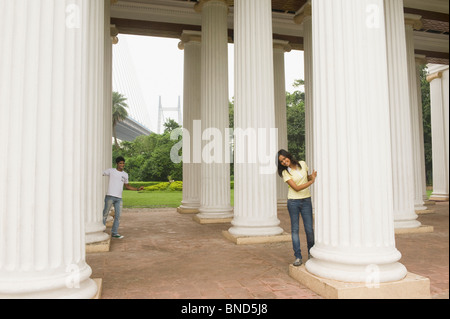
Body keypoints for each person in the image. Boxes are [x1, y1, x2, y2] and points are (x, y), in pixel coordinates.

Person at [277, 149, 317, 267]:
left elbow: (306, 178)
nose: (284, 162)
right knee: (295, 230)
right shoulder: (285, 173)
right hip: (293, 202)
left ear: (288, 156)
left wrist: (312, 176)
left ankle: (310, 254)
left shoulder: (303, 164)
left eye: (284, 158)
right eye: (281, 162)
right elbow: (296, 188)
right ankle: (298, 257)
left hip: (306, 200)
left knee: (309, 229)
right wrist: (312, 182)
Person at [102, 156, 144, 239]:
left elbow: (127, 186)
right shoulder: (111, 171)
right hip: (110, 196)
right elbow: (100, 173)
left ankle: (114, 233)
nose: (122, 164)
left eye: (123, 163)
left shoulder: (125, 175)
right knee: (105, 215)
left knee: (118, 216)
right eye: (120, 163)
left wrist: (138, 189)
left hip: (119, 198)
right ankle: (102, 231)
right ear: (117, 164)